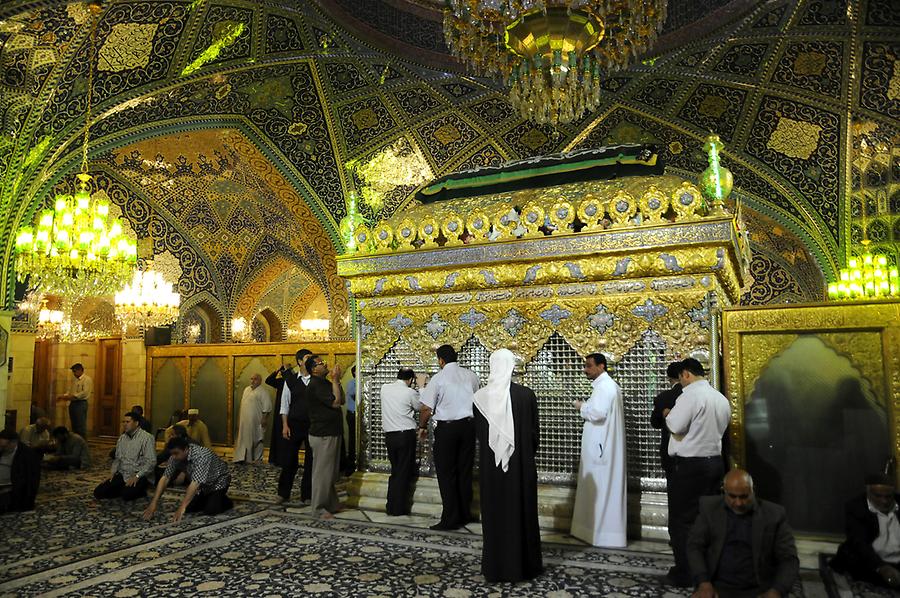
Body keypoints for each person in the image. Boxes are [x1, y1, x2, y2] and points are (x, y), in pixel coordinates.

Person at [474, 348, 543, 582]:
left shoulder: (480, 398)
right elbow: (534, 435)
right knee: (521, 511)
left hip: (491, 469)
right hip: (521, 467)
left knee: (495, 514)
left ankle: (495, 567)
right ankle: (525, 566)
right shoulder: (526, 395)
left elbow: (480, 436)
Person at [665, 357, 732, 587]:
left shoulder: (691, 395)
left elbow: (675, 425)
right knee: (708, 518)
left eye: (680, 378)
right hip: (715, 463)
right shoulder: (720, 398)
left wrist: (667, 415)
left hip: (691, 466)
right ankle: (709, 569)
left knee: (683, 520)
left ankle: (686, 572)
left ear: (685, 374)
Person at [687, 469, 799, 598]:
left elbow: (789, 559)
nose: (738, 503)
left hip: (759, 589)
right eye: (732, 496)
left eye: (744, 497)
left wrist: (777, 590)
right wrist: (703, 583)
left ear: (753, 490)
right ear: (724, 491)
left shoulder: (774, 514)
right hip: (716, 587)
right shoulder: (709, 508)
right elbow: (694, 546)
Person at [419, 344, 480, 531]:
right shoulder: (471, 376)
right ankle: (464, 514)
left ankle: (450, 518)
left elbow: (426, 409)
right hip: (469, 428)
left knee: (447, 474)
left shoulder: (439, 378)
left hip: (448, 430)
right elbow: (479, 402)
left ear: (441, 360)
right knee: (464, 472)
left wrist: (422, 426)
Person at [570, 352, 627, 547]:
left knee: (601, 489)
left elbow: (598, 413)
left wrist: (581, 406)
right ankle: (596, 533)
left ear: (601, 366)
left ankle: (602, 534)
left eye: (589, 366)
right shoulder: (606, 386)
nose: (585, 370)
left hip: (601, 450)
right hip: (602, 447)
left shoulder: (605, 387)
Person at [831, 473, 900, 589]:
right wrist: (881, 567)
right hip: (870, 561)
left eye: (888, 497)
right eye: (878, 496)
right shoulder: (855, 507)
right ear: (868, 493)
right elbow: (859, 544)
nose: (884, 501)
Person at [143, 436, 233, 522]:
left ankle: (223, 499)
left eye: (176, 453)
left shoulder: (202, 456)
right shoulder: (175, 457)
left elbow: (195, 483)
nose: (173, 457)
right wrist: (153, 503)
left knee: (211, 510)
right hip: (203, 485)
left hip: (219, 481)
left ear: (186, 450)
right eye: (172, 454)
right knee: (190, 508)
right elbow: (165, 478)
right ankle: (209, 497)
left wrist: (181, 508)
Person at [305, 354, 345, 518]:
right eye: (321, 363)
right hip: (323, 434)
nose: (325, 364)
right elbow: (335, 403)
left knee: (330, 472)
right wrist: (335, 380)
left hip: (330, 432)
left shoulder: (324, 383)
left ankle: (331, 503)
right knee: (322, 472)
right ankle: (319, 508)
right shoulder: (316, 384)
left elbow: (340, 399)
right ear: (314, 369)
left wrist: (336, 381)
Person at [381, 368, 422, 516]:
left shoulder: (384, 388)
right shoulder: (410, 392)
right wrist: (422, 388)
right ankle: (398, 508)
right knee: (404, 472)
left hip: (390, 436)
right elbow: (419, 407)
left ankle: (390, 505)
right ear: (411, 380)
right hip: (405, 436)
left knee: (396, 471)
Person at [278, 349, 315, 503]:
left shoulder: (316, 380)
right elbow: (284, 405)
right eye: (307, 358)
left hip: (312, 426)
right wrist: (285, 425)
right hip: (294, 424)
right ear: (300, 361)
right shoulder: (291, 381)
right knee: (289, 460)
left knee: (310, 461)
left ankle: (307, 495)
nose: (310, 360)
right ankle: (283, 493)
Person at [93, 411, 156, 502]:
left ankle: (139, 489)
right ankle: (122, 488)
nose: (125, 424)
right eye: (123, 422)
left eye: (128, 422)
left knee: (127, 495)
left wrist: (137, 476)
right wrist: (112, 473)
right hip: (124, 474)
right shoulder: (122, 438)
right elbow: (117, 459)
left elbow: (151, 462)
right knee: (99, 492)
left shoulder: (147, 438)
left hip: (139, 475)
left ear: (136, 423)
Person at [650, 362, 683, 476]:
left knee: (673, 487)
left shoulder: (663, 397)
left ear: (669, 378)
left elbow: (655, 423)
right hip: (694, 453)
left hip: (669, 448)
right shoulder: (695, 395)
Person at [233, 373, 272, 463]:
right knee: (243, 438)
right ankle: (242, 458)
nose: (253, 381)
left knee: (258, 438)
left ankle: (257, 459)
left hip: (256, 421)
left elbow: (267, 406)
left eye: (255, 379)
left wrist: (264, 418)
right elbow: (242, 405)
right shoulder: (246, 389)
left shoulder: (263, 391)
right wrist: (239, 419)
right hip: (244, 420)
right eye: (251, 379)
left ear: (260, 380)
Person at [0, 430, 41, 513]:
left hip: (10, 489)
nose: (1, 449)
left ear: (14, 443)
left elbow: (31, 482)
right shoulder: (1, 450)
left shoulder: (27, 455)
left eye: (4, 446)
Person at [56, 362, 92, 439]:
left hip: (80, 403)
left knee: (80, 425)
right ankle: (75, 441)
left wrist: (72, 396)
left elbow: (84, 393)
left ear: (80, 370)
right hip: (73, 403)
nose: (74, 373)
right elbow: (70, 390)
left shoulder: (86, 379)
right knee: (74, 424)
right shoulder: (75, 380)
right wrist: (64, 396)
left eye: (75, 371)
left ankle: (82, 442)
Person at [265, 365, 288, 465]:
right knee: (277, 435)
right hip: (279, 412)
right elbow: (268, 380)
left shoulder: (292, 382)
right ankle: (276, 459)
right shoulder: (281, 382)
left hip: (288, 413)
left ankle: (285, 459)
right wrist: (276, 370)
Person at [343, 365, 358, 476]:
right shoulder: (352, 383)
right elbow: (354, 394)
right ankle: (350, 466)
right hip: (353, 415)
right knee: (353, 440)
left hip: (358, 415)